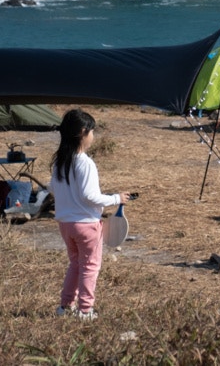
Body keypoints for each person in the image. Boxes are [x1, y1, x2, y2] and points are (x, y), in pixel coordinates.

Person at [50, 109, 131, 320]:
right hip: (86, 224)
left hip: (65, 224)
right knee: (90, 266)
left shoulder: (59, 162)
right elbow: (90, 196)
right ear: (83, 133)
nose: (93, 136)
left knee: (75, 264)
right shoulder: (85, 162)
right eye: (92, 132)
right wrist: (116, 198)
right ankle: (85, 310)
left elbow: (53, 189)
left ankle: (65, 307)